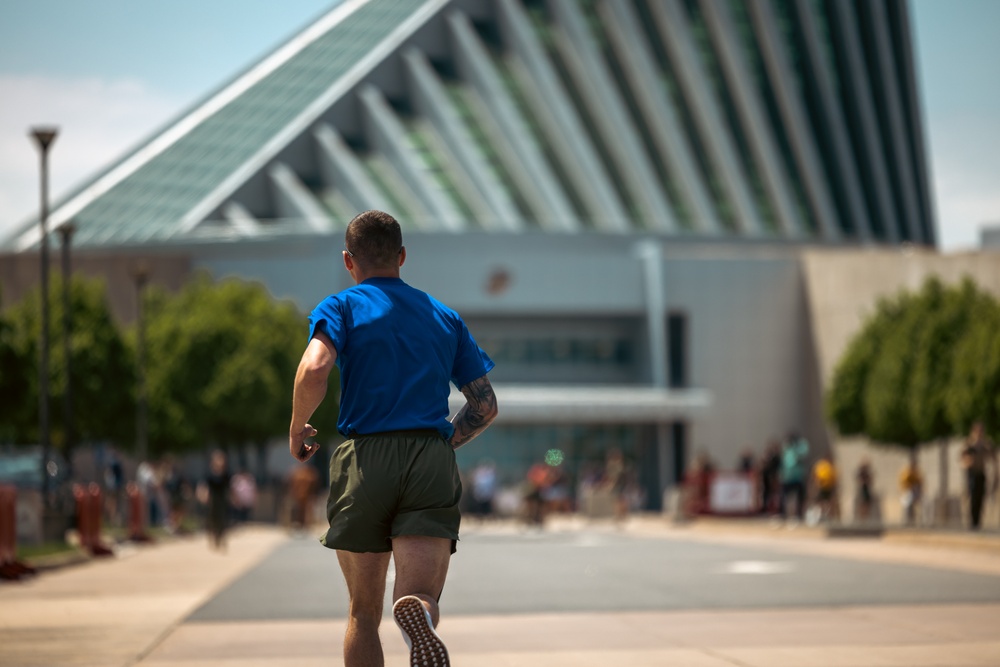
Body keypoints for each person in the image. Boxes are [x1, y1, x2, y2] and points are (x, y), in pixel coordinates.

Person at [288, 210, 498, 667]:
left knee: (363, 613)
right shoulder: (444, 316)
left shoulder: (341, 306)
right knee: (419, 592)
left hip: (364, 459)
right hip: (429, 457)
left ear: (349, 261)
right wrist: (441, 447)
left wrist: (298, 425)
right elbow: (485, 406)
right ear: (402, 256)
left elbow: (315, 368)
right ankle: (418, 614)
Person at [960, 422, 997, 530]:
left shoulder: (986, 445)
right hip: (972, 473)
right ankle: (972, 521)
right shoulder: (969, 444)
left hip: (981, 473)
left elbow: (992, 457)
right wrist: (967, 462)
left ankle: (978, 521)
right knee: (973, 497)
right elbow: (962, 459)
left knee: (981, 496)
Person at [200, 450, 232, 552]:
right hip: (212, 499)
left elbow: (230, 487)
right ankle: (213, 538)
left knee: (222, 519)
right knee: (213, 520)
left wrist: (233, 498)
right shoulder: (209, 474)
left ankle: (221, 538)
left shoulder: (226, 474)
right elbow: (204, 486)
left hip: (222, 499)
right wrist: (203, 495)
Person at [780, 432, 809, 521]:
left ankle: (799, 514)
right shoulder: (786, 449)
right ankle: (784, 514)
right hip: (787, 478)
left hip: (797, 478)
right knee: (784, 497)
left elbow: (805, 451)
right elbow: (785, 463)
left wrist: (799, 443)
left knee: (800, 497)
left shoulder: (798, 449)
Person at [899, 456, 923, 527]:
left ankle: (915, 520)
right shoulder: (906, 472)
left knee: (916, 506)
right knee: (907, 506)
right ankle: (906, 520)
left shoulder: (917, 473)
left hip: (915, 492)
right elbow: (904, 482)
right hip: (908, 492)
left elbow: (920, 482)